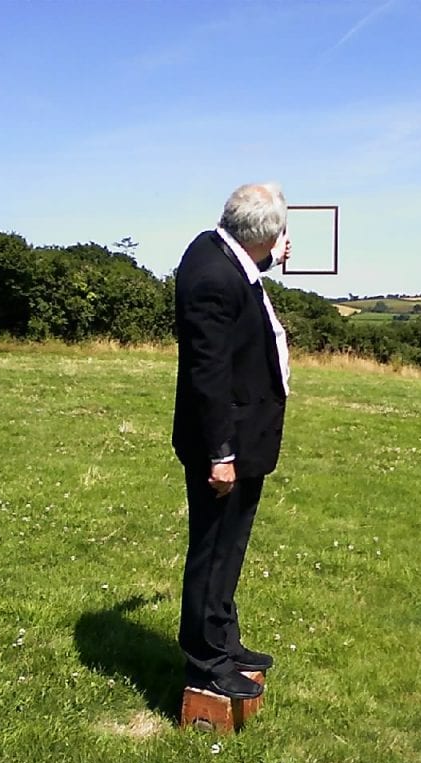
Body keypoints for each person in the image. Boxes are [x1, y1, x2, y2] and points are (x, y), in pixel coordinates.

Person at [172, 182, 292, 700]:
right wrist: (222, 456)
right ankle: (206, 662)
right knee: (215, 550)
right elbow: (209, 375)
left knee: (229, 547)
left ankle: (223, 638)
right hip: (225, 443)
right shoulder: (215, 281)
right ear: (262, 238)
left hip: (240, 435)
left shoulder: (213, 248)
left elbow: (240, 283)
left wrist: (264, 261)